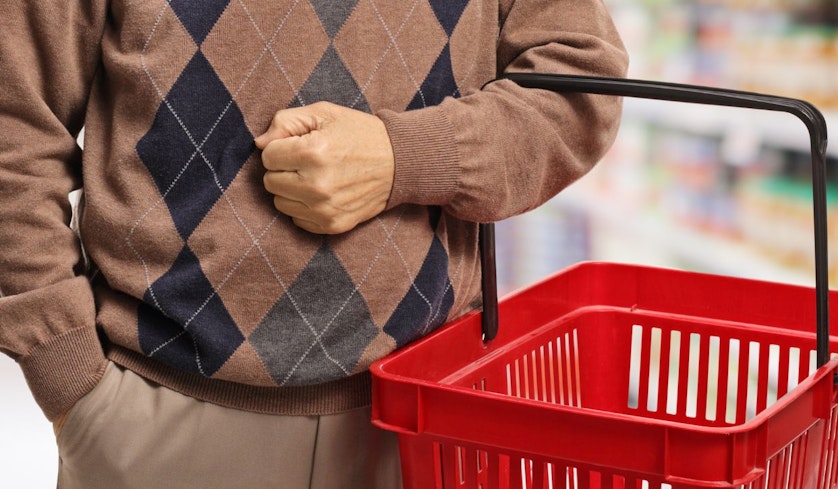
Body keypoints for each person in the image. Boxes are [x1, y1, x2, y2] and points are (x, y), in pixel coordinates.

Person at [0, 1, 627, 487]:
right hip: (156, 417)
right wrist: (69, 373)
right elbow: (15, 123)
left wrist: (408, 157)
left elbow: (582, 81)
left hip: (426, 418)